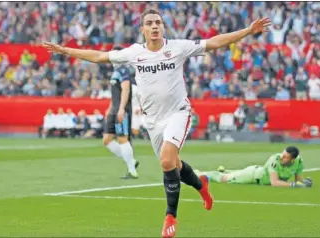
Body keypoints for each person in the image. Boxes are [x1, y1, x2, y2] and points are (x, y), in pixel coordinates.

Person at [43, 9, 271, 238]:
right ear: (142, 29)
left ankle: (170, 216)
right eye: (149, 23)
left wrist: (248, 31)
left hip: (178, 113)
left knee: (165, 161)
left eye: (158, 23)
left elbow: (213, 43)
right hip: (153, 122)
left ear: (163, 27)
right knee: (174, 165)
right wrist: (65, 50)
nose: (154, 26)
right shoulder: (135, 53)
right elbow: (99, 56)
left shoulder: (178, 48)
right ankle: (201, 185)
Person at [196, 146, 312, 188]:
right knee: (224, 178)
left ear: (292, 159)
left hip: (256, 171)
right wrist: (293, 185)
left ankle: (224, 170)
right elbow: (274, 182)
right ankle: (197, 173)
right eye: (283, 155)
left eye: (285, 157)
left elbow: (298, 180)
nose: (282, 157)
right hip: (253, 176)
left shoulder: (299, 162)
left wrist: (304, 182)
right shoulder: (275, 160)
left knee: (229, 173)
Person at [103, 49, 139, 179]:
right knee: (107, 140)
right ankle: (132, 161)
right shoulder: (115, 72)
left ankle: (132, 170)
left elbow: (125, 89)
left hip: (121, 110)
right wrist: (110, 108)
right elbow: (115, 94)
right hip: (114, 110)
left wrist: (122, 108)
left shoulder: (124, 71)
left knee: (122, 139)